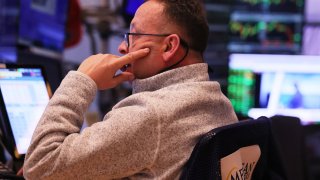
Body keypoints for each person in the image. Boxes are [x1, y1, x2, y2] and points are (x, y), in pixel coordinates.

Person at [23, 0, 238, 179]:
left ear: (169, 47)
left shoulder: (150, 113)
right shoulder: (219, 102)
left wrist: (82, 79)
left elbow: (40, 164)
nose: (122, 47)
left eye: (133, 36)